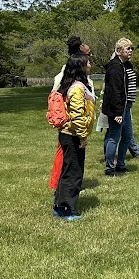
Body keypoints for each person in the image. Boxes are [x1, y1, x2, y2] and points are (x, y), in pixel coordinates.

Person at [53, 53, 95, 220]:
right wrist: (83, 136)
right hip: (73, 135)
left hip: (68, 134)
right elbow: (77, 116)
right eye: (88, 63)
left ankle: (59, 206)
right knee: (73, 173)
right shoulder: (77, 88)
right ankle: (66, 210)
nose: (90, 65)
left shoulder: (73, 85)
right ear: (81, 67)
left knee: (68, 170)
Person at [49, 36, 94, 191]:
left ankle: (62, 189)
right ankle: (60, 188)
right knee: (66, 160)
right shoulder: (72, 77)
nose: (90, 61)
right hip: (70, 126)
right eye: (88, 56)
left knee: (69, 161)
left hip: (73, 125)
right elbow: (61, 97)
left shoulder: (76, 75)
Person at [101, 38, 134, 176]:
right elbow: (115, 92)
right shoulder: (115, 67)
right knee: (114, 137)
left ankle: (121, 164)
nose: (131, 51)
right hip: (116, 109)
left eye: (132, 48)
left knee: (127, 136)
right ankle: (109, 167)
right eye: (128, 49)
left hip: (124, 107)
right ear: (119, 51)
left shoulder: (123, 65)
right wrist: (117, 112)